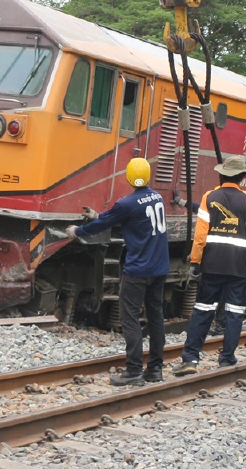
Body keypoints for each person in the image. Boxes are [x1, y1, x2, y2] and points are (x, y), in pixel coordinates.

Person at [67, 158, 168, 385]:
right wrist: (99, 214)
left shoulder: (127, 202)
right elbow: (123, 215)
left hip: (138, 271)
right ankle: (155, 370)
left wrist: (78, 230)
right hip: (159, 268)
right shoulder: (157, 197)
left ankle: (133, 371)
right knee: (156, 318)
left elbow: (110, 221)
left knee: (129, 318)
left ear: (129, 177)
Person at [174, 155, 246, 375]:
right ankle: (226, 359)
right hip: (239, 267)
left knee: (203, 310)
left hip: (212, 264)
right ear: (243, 177)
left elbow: (200, 234)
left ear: (221, 174)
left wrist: (195, 261)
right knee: (234, 313)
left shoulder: (209, 196)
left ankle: (190, 360)